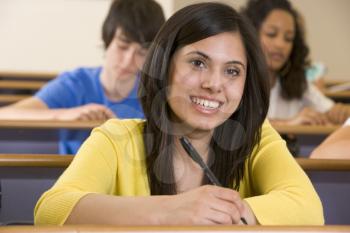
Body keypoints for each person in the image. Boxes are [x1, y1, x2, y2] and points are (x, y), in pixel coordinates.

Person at [34, 2, 324, 225]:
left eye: (232, 71)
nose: (213, 84)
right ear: (164, 65)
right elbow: (51, 210)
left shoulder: (258, 138)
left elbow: (309, 208)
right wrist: (173, 211)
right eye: (198, 63)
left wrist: (219, 215)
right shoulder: (115, 138)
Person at [0, 0, 165, 154]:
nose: (129, 60)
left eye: (143, 52)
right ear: (107, 40)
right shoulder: (75, 84)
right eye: (122, 46)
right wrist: (64, 114)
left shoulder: (154, 94)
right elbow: (5, 114)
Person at [242, 0, 350, 127]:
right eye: (271, 34)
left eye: (288, 38)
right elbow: (235, 126)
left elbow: (331, 110)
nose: (280, 44)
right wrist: (289, 123)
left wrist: (338, 114)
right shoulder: (236, 80)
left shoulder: (298, 83)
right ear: (251, 35)